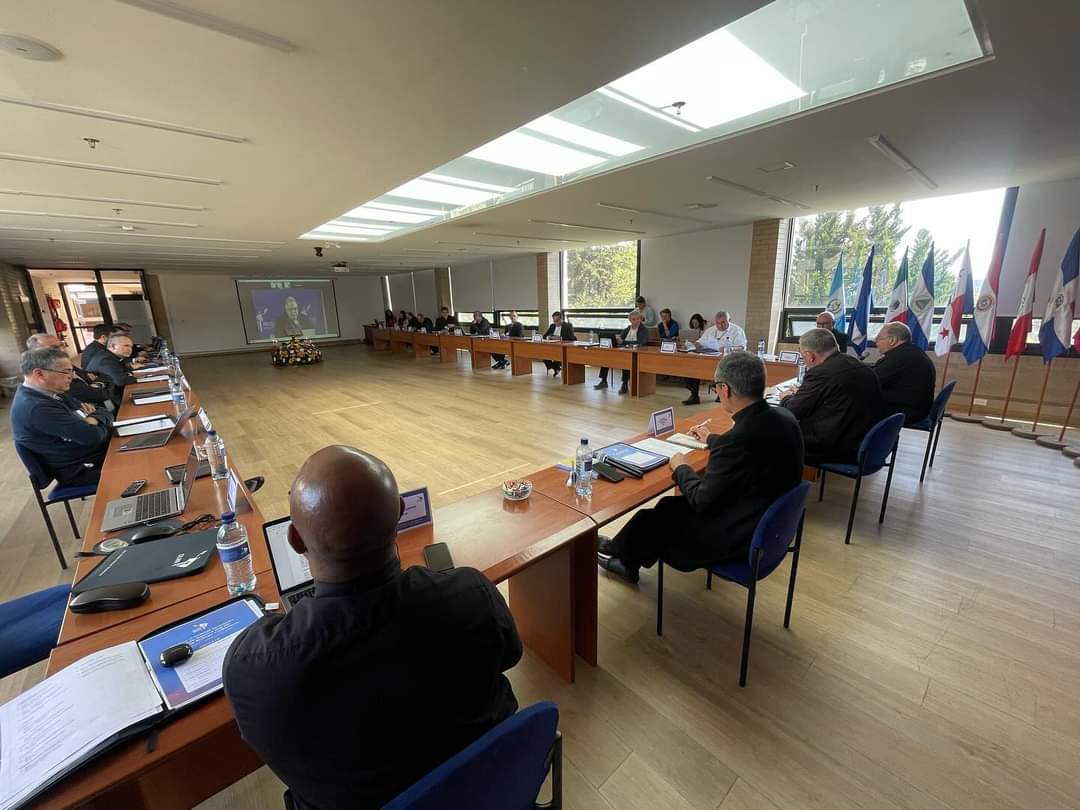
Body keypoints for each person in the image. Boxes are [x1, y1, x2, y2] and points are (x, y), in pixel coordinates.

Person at [223, 446, 522, 810]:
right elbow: (511, 655)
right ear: (400, 512)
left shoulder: (254, 666)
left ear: (295, 541)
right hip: (491, 793)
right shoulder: (472, 594)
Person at [597, 353, 804, 583]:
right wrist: (712, 439)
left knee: (656, 517)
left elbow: (701, 500)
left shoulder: (737, 441)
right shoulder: (783, 416)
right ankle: (621, 551)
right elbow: (750, 448)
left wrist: (681, 467)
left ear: (725, 389)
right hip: (768, 520)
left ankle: (624, 558)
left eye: (715, 387)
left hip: (739, 535)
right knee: (667, 506)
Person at [10, 347, 115, 487]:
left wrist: (93, 419)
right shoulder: (37, 407)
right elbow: (93, 437)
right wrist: (98, 423)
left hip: (95, 453)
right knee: (142, 463)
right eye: (66, 372)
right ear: (39, 373)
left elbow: (103, 411)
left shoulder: (53, 391)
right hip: (81, 468)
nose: (72, 376)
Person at [780, 328, 885, 466]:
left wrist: (785, 398)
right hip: (865, 441)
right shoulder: (857, 364)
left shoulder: (821, 373)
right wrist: (804, 393)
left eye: (802, 356)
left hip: (835, 446)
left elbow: (792, 410)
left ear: (810, 356)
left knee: (773, 432)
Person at [872, 321, 936, 425]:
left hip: (907, 411)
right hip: (915, 407)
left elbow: (871, 379)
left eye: (878, 338)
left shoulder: (900, 358)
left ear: (892, 340)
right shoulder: (910, 351)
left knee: (855, 405)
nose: (875, 341)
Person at [25, 333, 113, 409]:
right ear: (37, 353)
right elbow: (101, 395)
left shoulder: (66, 364)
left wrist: (96, 384)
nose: (62, 350)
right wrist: (98, 384)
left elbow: (106, 377)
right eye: (54, 348)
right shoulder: (50, 375)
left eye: (62, 345)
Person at [683, 311, 748, 404]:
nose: (720, 325)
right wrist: (691, 345)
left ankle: (722, 394)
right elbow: (700, 342)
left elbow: (741, 347)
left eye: (723, 322)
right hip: (709, 357)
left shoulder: (737, 331)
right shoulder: (711, 330)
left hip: (728, 360)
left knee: (724, 369)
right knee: (691, 367)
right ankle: (694, 396)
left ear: (729, 320)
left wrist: (728, 349)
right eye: (717, 323)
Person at [595, 310, 646, 394]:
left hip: (637, 353)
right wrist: (617, 340)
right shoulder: (628, 328)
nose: (636, 321)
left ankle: (624, 384)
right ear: (630, 320)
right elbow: (621, 338)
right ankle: (603, 381)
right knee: (607, 357)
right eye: (633, 319)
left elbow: (641, 342)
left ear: (640, 319)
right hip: (624, 350)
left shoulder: (643, 329)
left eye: (638, 319)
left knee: (626, 360)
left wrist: (624, 342)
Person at [542, 311, 575, 376]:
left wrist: (560, 338)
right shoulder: (552, 326)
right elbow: (544, 336)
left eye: (557, 321)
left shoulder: (568, 326)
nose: (555, 322)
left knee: (560, 354)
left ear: (561, 319)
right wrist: (549, 337)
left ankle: (556, 367)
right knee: (543, 353)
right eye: (554, 320)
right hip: (552, 346)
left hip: (562, 347)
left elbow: (571, 338)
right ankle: (554, 367)